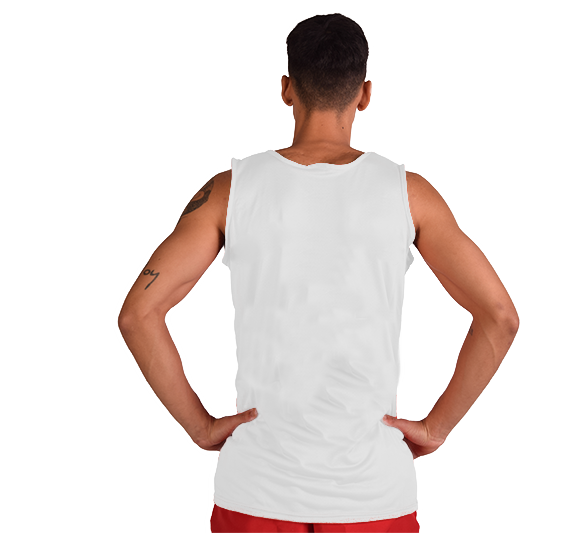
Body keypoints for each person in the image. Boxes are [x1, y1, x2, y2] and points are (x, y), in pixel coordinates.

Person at [118, 12, 519, 533]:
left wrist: (200, 426)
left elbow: (138, 314)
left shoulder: (229, 190)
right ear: (365, 94)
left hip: (256, 493)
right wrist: (435, 428)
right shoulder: (409, 194)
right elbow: (500, 316)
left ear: (287, 89)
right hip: (374, 496)